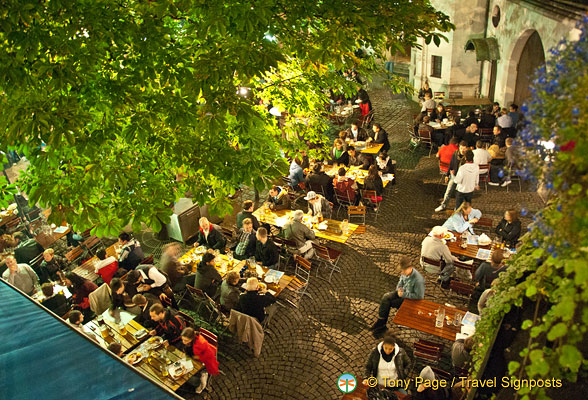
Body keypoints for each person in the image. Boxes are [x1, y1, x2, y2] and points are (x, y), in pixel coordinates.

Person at [370, 256, 425, 331]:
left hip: (410, 299)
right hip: (401, 293)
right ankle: (381, 320)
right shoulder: (405, 273)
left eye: (403, 271)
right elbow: (400, 283)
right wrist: (399, 289)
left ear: (409, 268)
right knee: (386, 297)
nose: (401, 273)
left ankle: (382, 324)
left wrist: (403, 294)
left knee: (390, 303)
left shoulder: (418, 280)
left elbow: (419, 297)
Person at [181, 327, 220, 394]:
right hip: (192, 356)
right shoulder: (190, 340)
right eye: (183, 340)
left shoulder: (201, 343)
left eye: (186, 340)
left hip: (203, 361)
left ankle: (202, 383)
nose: (183, 342)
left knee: (190, 376)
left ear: (191, 338)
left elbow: (209, 355)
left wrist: (198, 357)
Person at [436, 140, 468, 212]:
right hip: (454, 176)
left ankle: (458, 208)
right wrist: (447, 175)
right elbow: (451, 164)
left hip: (463, 178)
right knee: (448, 192)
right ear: (459, 147)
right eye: (461, 148)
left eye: (464, 148)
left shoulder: (468, 157)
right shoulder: (455, 153)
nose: (462, 150)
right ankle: (443, 205)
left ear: (466, 148)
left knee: (459, 194)